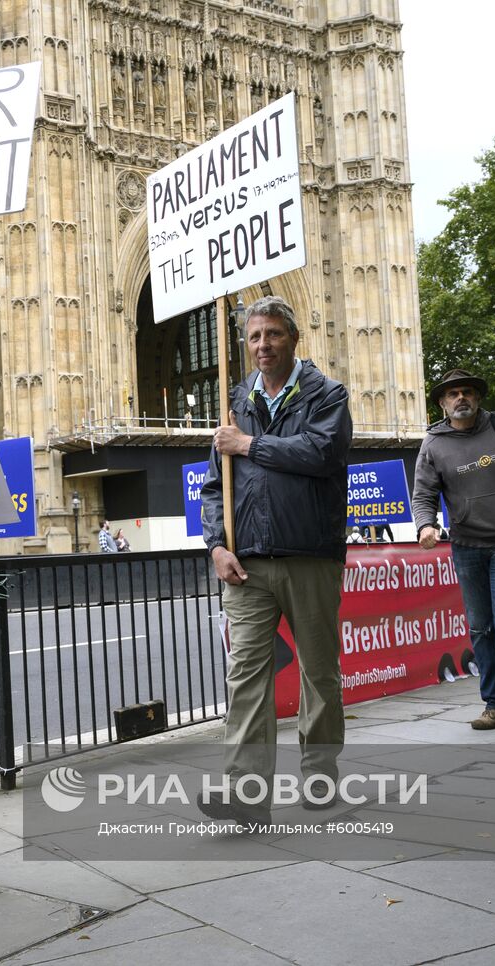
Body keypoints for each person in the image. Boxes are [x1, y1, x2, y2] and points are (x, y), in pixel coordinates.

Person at [199, 295, 352, 820]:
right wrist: (216, 544)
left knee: (318, 673)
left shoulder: (326, 395)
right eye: (255, 336)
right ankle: (246, 793)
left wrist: (249, 446)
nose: (263, 345)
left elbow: (320, 453)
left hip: (310, 556)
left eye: (273, 334)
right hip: (248, 563)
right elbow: (213, 487)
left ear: (293, 338)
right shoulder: (234, 399)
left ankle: (319, 776)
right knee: (245, 675)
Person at [412, 368, 495, 739]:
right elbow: (423, 493)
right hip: (467, 546)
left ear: (478, 397)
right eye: (452, 394)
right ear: (442, 403)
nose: (460, 398)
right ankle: (494, 705)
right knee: (481, 629)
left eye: (467, 392)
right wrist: (426, 524)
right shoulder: (433, 443)